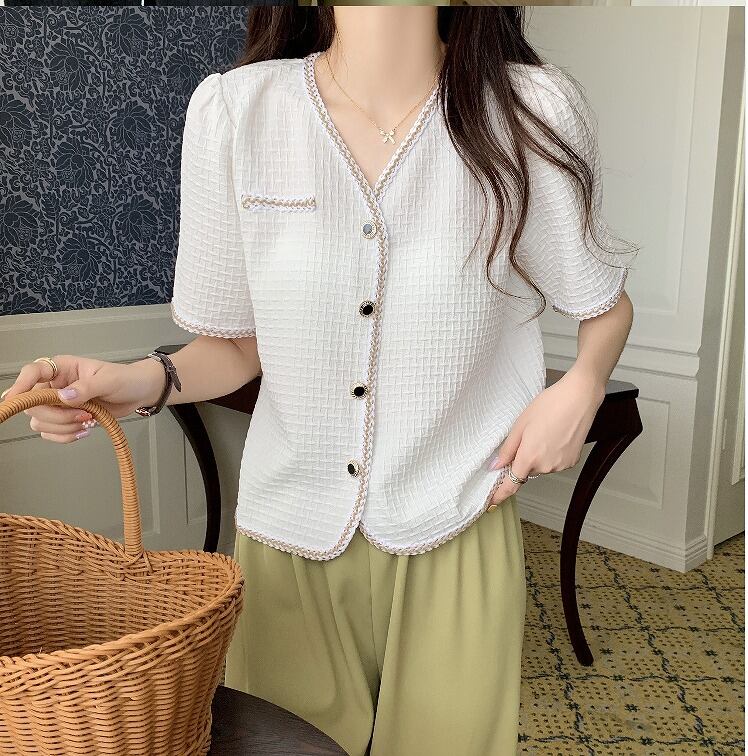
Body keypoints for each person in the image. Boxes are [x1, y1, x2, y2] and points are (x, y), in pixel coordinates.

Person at [1, 6, 637, 755]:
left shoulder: (529, 111)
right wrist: (133, 381)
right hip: (287, 537)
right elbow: (235, 351)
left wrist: (582, 385)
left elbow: (604, 305)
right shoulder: (237, 112)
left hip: (457, 520)